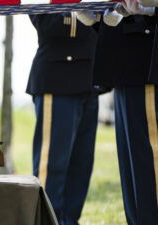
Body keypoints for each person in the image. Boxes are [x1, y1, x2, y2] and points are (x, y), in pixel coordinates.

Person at [27, 12, 112, 225]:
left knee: (81, 164)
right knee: (52, 164)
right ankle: (45, 220)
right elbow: (47, 24)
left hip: (89, 78)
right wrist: (86, 14)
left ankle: (70, 220)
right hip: (57, 78)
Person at [77, 3, 158, 224]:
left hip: (147, 62)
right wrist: (100, 16)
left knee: (149, 158)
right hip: (126, 64)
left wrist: (149, 8)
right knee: (132, 164)